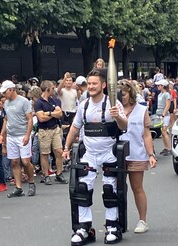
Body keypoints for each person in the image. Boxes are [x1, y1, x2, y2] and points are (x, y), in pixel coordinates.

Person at [63, 69, 127, 245]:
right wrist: (66, 148)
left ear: (104, 85)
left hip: (109, 152)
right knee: (82, 189)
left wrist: (117, 117)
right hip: (89, 153)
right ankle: (84, 228)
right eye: (89, 83)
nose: (90, 86)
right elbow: (75, 128)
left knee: (110, 190)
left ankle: (112, 226)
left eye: (94, 83)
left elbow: (124, 126)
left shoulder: (113, 104)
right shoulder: (83, 105)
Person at [118, 80, 156, 233]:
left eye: (124, 95)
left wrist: (151, 154)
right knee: (116, 189)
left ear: (131, 94)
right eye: (118, 95)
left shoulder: (141, 110)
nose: (121, 98)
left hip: (136, 154)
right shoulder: (113, 109)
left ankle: (142, 220)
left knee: (137, 187)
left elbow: (146, 135)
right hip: (117, 154)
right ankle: (117, 221)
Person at [0, 80, 36, 197]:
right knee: (14, 162)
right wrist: (2, 134)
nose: (3, 94)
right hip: (11, 136)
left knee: (25, 161)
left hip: (22, 134)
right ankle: (18, 187)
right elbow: (6, 119)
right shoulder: (6, 103)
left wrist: (27, 135)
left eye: (5, 92)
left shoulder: (23, 101)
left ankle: (31, 183)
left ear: (11, 89)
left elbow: (29, 119)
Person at [34, 80, 68, 185]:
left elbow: (60, 113)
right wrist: (53, 114)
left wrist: (48, 113)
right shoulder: (38, 103)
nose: (54, 90)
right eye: (53, 88)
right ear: (48, 89)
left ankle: (59, 173)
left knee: (59, 151)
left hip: (55, 129)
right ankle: (46, 175)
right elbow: (41, 118)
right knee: (45, 154)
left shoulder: (54, 100)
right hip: (44, 131)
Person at [155, 79, 171, 156]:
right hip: (159, 114)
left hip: (164, 115)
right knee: (162, 132)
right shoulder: (160, 94)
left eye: (159, 85)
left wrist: (163, 114)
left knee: (164, 131)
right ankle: (166, 148)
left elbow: (168, 105)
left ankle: (168, 148)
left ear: (163, 86)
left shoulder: (166, 94)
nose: (158, 86)